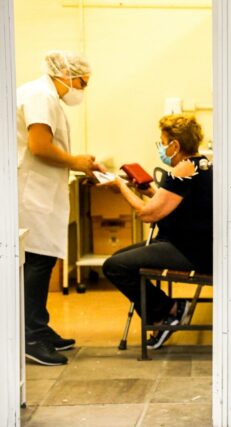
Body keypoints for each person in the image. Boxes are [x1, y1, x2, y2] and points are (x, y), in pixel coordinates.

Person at [17, 50, 104, 366]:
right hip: (31, 193)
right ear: (66, 74)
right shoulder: (40, 95)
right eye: (82, 82)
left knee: (43, 259)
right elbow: (39, 146)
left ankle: (38, 327)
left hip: (40, 191)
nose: (82, 89)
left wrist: (78, 164)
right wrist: (75, 161)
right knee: (37, 262)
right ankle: (30, 336)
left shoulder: (46, 96)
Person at [102, 114, 212, 350]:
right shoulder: (199, 164)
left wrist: (120, 186)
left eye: (163, 142)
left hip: (188, 250)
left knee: (115, 266)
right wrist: (148, 191)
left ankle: (168, 312)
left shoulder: (183, 169)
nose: (161, 148)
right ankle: (168, 311)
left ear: (175, 145)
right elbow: (173, 203)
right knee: (118, 260)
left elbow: (147, 214)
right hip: (190, 245)